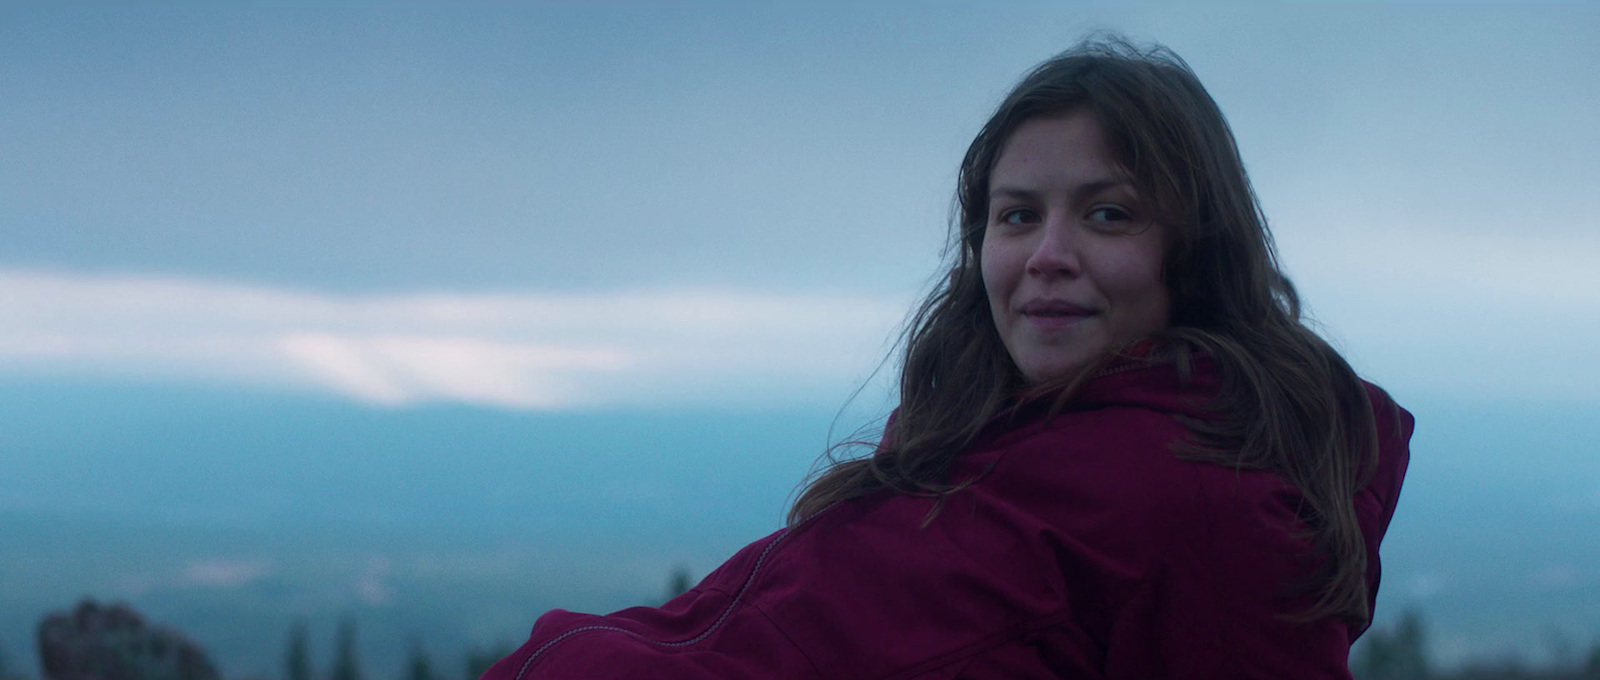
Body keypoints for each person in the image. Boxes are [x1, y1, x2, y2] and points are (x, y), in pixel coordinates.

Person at [480, 38, 1413, 679]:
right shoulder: (988, 435)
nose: (1047, 253)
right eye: (1017, 216)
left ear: (1194, 247)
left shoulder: (1217, 500)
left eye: (1107, 213)